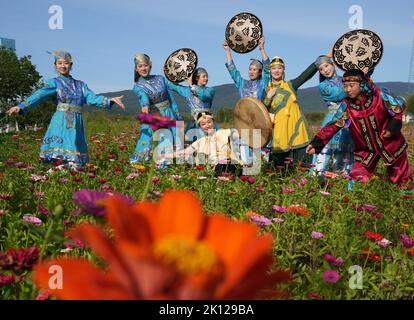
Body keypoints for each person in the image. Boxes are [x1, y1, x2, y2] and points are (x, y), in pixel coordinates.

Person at [7, 50, 125, 166]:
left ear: (71, 65)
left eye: (66, 63)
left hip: (77, 120)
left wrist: (110, 100)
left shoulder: (81, 85)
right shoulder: (54, 83)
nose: (63, 66)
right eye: (60, 63)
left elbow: (92, 99)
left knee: (75, 148)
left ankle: (72, 171)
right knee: (62, 148)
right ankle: (60, 171)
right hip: (61, 119)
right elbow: (40, 94)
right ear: (55, 65)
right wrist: (21, 106)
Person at [306, 69, 412, 188]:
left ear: (362, 84)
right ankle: (354, 204)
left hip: (391, 145)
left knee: (401, 178)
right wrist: (317, 143)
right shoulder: (346, 106)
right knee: (357, 178)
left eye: (352, 86)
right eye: (345, 86)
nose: (348, 90)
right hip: (365, 150)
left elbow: (398, 108)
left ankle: (403, 202)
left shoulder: (379, 96)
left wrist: (392, 127)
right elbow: (334, 124)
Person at [263, 55, 319, 167]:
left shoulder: (291, 85)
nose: (276, 71)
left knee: (302, 171)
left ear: (283, 70)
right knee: (278, 173)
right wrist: (268, 98)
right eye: (273, 68)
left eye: (279, 68)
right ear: (270, 71)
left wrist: (318, 62)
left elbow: (305, 75)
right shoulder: (266, 90)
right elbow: (262, 113)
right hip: (279, 134)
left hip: (297, 133)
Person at [161, 111, 251, 176]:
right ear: (200, 127)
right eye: (203, 124)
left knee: (227, 164)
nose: (207, 125)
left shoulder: (225, 132)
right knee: (219, 166)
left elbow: (243, 135)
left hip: (231, 164)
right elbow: (185, 152)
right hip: (216, 169)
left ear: (213, 122)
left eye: (209, 122)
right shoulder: (201, 141)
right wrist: (164, 155)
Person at [130, 53, 182, 163]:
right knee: (148, 141)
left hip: (168, 113)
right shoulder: (137, 86)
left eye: (145, 65)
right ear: (136, 69)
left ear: (150, 65)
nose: (143, 68)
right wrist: (145, 106)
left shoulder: (161, 79)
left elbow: (173, 88)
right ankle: (142, 166)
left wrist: (173, 75)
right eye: (140, 66)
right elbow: (142, 95)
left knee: (170, 140)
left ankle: (165, 166)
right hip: (154, 115)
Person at [311, 53, 354, 175]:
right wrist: (353, 83)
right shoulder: (323, 86)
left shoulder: (345, 79)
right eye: (321, 69)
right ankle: (314, 180)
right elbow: (340, 94)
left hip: (348, 119)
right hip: (332, 119)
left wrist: (365, 72)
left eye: (326, 66)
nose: (325, 70)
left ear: (333, 64)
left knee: (345, 154)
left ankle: (343, 183)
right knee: (324, 151)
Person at [167, 67, 216, 143]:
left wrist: (191, 85)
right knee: (191, 144)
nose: (206, 78)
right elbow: (171, 85)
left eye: (207, 76)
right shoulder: (187, 91)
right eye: (204, 76)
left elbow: (204, 96)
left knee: (208, 143)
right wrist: (170, 72)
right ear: (197, 78)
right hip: (194, 123)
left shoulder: (210, 90)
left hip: (207, 121)